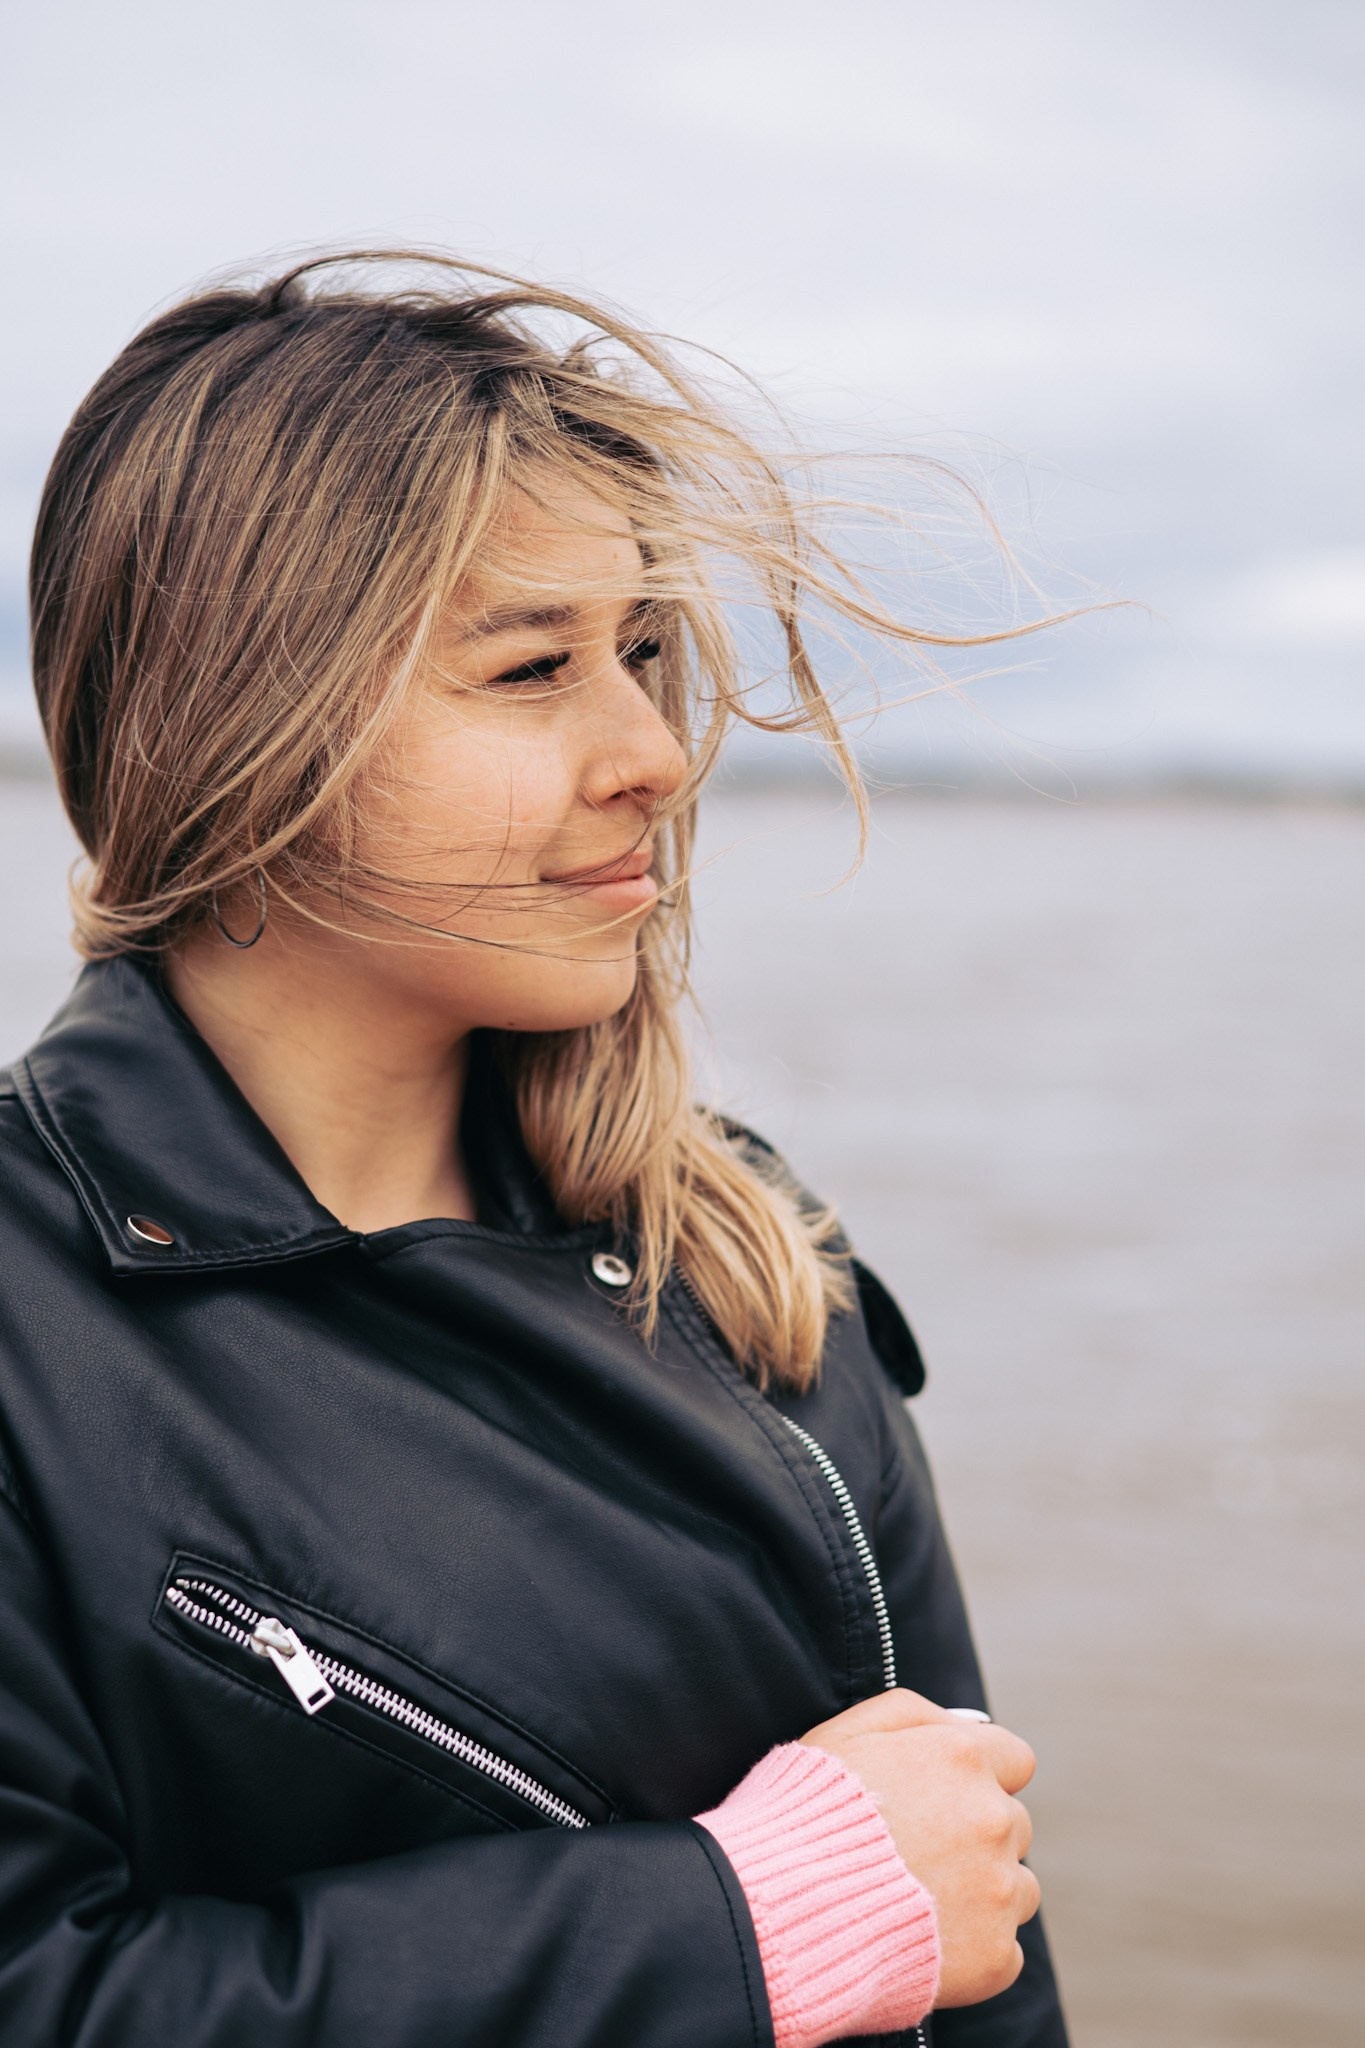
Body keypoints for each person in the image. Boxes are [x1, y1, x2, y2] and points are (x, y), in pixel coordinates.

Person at [0, 252, 1068, 2047]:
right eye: (532, 667)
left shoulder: (739, 1249)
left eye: (640, 654)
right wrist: (737, 1927)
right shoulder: (33, 1327)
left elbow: (968, 1926)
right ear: (237, 725)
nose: (652, 753)